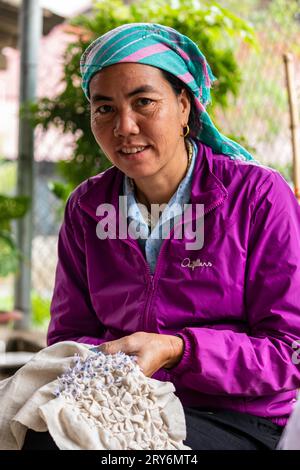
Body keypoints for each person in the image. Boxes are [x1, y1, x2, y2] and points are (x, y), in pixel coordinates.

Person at [24, 23, 300, 450]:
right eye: (105, 109)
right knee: (39, 438)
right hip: (125, 403)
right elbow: (69, 338)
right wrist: (105, 366)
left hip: (239, 419)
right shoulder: (88, 207)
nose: (125, 127)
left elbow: (291, 349)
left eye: (144, 102)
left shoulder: (258, 196)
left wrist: (178, 350)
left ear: (185, 105)